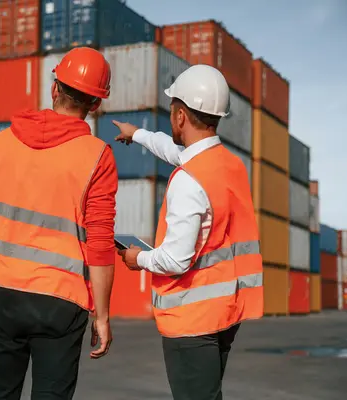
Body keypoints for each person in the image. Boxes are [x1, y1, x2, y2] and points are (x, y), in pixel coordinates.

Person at [0, 47, 118, 400]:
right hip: (59, 301)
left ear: (54, 89)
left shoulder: (2, 142)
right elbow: (101, 244)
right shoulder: (97, 156)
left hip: (1, 294)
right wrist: (102, 316)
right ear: (95, 105)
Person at [113, 64, 263, 400]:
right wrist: (136, 133)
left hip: (192, 320)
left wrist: (139, 258)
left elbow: (176, 259)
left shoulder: (188, 180)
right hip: (226, 311)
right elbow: (176, 152)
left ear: (180, 116)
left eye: (171, 111)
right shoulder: (230, 165)